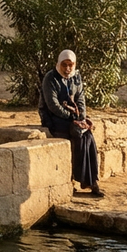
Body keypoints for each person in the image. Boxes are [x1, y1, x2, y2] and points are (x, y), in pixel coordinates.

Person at [39, 50, 102, 197]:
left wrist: (82, 118)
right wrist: (71, 118)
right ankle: (79, 178)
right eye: (64, 65)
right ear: (59, 64)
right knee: (78, 135)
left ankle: (91, 180)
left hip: (73, 118)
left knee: (88, 137)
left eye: (70, 65)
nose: (67, 69)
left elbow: (81, 100)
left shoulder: (76, 78)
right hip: (54, 119)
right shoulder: (50, 78)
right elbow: (52, 105)